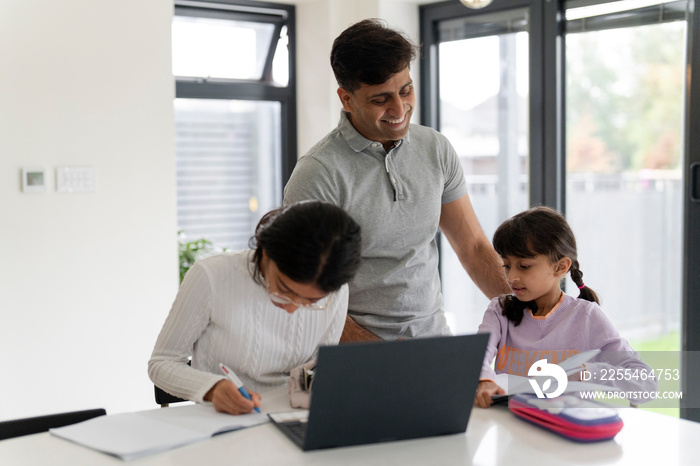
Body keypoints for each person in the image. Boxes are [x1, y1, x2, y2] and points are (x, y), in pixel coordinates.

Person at [284, 18, 510, 342]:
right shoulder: (318, 174)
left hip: (434, 342)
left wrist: (529, 314)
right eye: (380, 99)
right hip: (356, 355)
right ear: (346, 99)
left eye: (406, 90)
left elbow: (473, 247)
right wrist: (382, 357)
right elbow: (305, 294)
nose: (400, 108)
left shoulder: (436, 148)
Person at [148, 200, 362, 415]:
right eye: (284, 290)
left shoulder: (336, 290)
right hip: (221, 418)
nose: (291, 309)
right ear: (266, 254)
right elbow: (162, 363)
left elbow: (317, 370)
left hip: (291, 418)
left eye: (311, 302)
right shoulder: (212, 276)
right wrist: (212, 389)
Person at [474, 206, 657, 408]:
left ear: (561, 267)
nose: (511, 277)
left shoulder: (587, 317)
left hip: (565, 433)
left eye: (524, 266)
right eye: (506, 265)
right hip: (510, 429)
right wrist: (484, 381)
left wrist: (587, 372)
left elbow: (646, 384)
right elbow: (477, 357)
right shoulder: (499, 311)